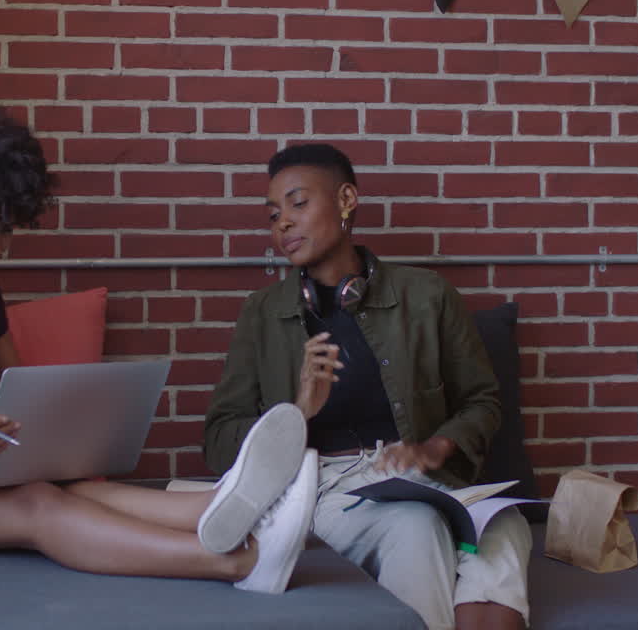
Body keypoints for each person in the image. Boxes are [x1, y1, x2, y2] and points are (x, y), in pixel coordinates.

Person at [0, 99, 319, 594]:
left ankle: (225, 504)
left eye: (4, 232)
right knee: (35, 506)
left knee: (63, 480)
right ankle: (242, 563)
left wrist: (36, 436)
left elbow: (16, 387)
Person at [203, 144, 532, 629]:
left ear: (346, 199)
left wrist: (437, 447)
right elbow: (219, 440)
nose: (282, 224)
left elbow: (481, 400)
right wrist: (296, 412)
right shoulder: (263, 314)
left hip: (421, 480)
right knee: (415, 528)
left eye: (298, 204)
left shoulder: (427, 295)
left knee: (502, 523)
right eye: (274, 213)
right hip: (326, 488)